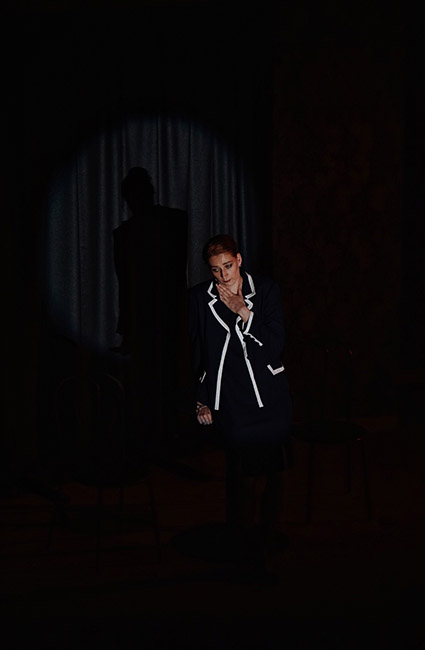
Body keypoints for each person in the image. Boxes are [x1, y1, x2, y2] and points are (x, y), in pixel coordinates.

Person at [188, 233, 293, 577]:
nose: (223, 275)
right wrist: (201, 398)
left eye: (228, 266)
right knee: (243, 479)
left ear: (239, 260)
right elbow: (198, 352)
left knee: (275, 476)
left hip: (270, 398)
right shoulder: (200, 298)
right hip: (232, 399)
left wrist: (244, 311)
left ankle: (266, 542)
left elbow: (275, 344)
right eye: (215, 270)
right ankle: (247, 551)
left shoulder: (266, 291)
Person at [112, 167, 188, 456]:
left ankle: (158, 438)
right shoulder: (173, 222)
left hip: (152, 318)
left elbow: (126, 286)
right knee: (164, 380)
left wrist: (126, 330)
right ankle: (164, 438)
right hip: (163, 316)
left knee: (156, 381)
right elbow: (127, 285)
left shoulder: (127, 234)